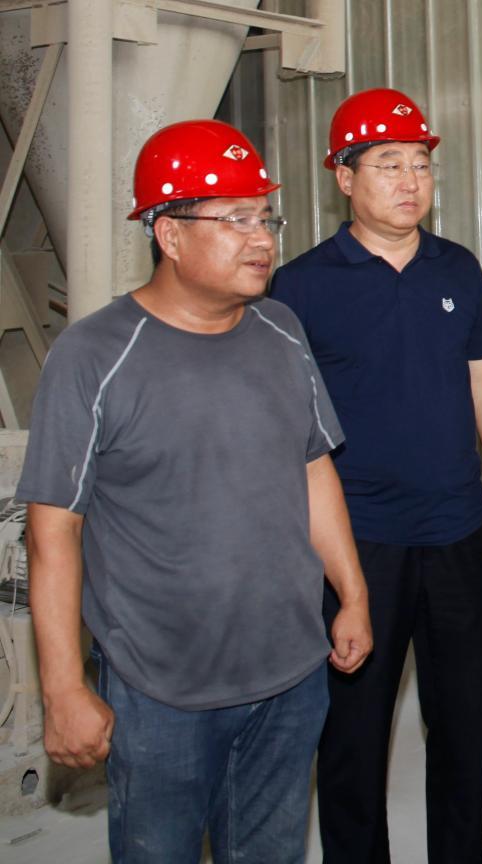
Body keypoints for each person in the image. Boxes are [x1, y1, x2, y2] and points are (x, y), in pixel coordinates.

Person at [18, 119, 371, 864]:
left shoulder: (281, 330)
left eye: (265, 217)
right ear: (169, 234)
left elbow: (313, 469)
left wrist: (353, 594)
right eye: (235, 219)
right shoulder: (94, 356)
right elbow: (54, 533)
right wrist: (63, 688)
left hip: (290, 674)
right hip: (160, 691)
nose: (261, 239)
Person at [270, 87, 482, 864]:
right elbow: (283, 426)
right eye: (389, 164)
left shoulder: (457, 268)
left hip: (456, 531)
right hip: (357, 546)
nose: (410, 180)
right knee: (352, 736)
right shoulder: (299, 286)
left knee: (461, 725)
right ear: (344, 177)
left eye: (420, 164)